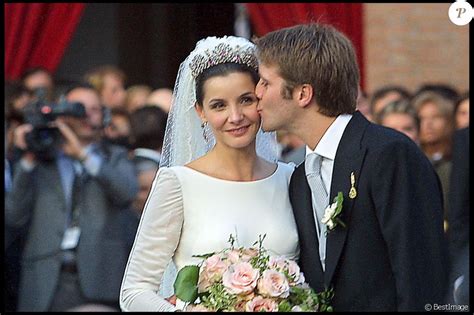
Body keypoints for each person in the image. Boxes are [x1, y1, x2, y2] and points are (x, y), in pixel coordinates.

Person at [254, 23, 448, 312]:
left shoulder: (389, 155)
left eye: (265, 82)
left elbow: (421, 278)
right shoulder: (299, 178)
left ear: (303, 94)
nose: (256, 92)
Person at [120, 36, 299, 311]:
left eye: (246, 100)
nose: (236, 116)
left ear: (260, 102)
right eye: (219, 105)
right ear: (201, 112)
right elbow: (134, 292)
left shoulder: (290, 179)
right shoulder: (178, 183)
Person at [6, 83, 138, 311]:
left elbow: (126, 193)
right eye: (78, 108)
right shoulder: (41, 157)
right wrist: (27, 159)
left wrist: (84, 156)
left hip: (100, 278)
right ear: (62, 113)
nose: (85, 115)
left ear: (104, 114)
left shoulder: (114, 156)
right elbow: (13, 216)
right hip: (44, 281)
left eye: (94, 109)